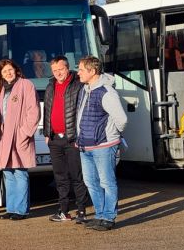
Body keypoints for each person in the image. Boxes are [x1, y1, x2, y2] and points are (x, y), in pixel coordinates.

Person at [75, 55, 127, 231]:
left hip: (103, 146)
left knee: (107, 183)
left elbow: (122, 119)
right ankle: (99, 215)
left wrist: (111, 136)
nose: (78, 72)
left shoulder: (106, 92)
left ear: (92, 71)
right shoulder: (85, 89)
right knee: (91, 182)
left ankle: (109, 217)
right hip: (85, 146)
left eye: (81, 69)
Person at [42, 55, 90, 224]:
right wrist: (47, 134)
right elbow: (47, 110)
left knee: (77, 176)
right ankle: (63, 211)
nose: (58, 73)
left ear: (67, 67)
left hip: (72, 139)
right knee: (60, 177)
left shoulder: (78, 85)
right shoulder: (50, 86)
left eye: (61, 69)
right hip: (54, 139)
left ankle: (82, 211)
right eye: (54, 70)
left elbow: (82, 111)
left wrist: (79, 136)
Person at [0, 58, 40, 219]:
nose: (8, 73)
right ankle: (11, 208)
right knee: (8, 173)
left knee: (20, 172)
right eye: (4, 71)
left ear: (16, 70)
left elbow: (33, 111)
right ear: (1, 74)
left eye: (10, 70)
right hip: (3, 138)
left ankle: (21, 210)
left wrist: (24, 132)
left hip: (19, 137)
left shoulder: (26, 85)